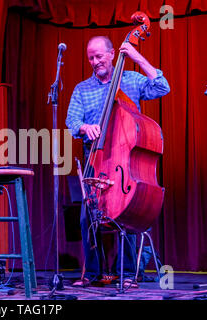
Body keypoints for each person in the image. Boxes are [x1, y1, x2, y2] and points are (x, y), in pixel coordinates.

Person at [65, 36, 170, 287]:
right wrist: (85, 127)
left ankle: (127, 273)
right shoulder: (82, 89)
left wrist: (137, 57)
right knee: (87, 217)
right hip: (96, 159)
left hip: (125, 162)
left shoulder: (131, 79)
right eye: (90, 57)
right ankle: (92, 273)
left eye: (99, 56)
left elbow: (162, 87)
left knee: (127, 211)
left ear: (112, 54)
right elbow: (72, 123)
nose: (94, 61)